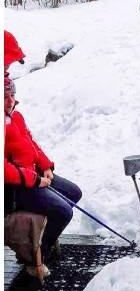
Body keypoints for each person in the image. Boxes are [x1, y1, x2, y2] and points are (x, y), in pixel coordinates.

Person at [4, 75, 83, 270]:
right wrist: (34, 179)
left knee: (73, 193)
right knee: (64, 212)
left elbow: (31, 144)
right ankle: (34, 256)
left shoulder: (17, 116)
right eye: (5, 96)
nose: (11, 100)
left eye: (12, 94)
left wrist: (46, 166)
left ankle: (44, 236)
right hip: (16, 188)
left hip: (36, 175)